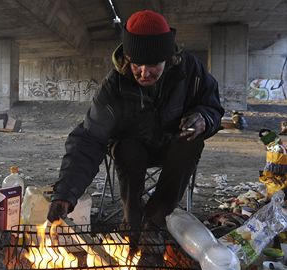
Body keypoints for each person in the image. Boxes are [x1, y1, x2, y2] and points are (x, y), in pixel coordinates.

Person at [47, 10, 224, 248]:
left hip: (172, 143)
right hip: (131, 149)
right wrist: (65, 194)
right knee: (127, 149)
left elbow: (212, 106)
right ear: (128, 58)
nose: (143, 73)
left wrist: (204, 118)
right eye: (136, 64)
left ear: (168, 58)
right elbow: (89, 139)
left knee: (192, 142)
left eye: (152, 65)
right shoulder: (113, 86)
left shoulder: (189, 70)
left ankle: (154, 221)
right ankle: (132, 222)